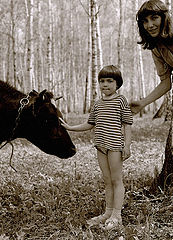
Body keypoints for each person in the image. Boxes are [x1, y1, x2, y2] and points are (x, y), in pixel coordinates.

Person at [131, 0, 173, 222]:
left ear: (164, 17)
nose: (150, 24)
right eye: (145, 21)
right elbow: (166, 83)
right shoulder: (156, 46)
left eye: (154, 18)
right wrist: (142, 103)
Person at [61, 65, 133, 230]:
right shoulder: (98, 103)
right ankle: (108, 213)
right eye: (102, 81)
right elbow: (89, 123)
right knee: (107, 180)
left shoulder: (120, 100)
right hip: (100, 146)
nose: (105, 84)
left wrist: (127, 145)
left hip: (115, 146)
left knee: (116, 180)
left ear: (117, 83)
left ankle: (117, 215)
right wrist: (70, 127)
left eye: (109, 81)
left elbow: (127, 124)